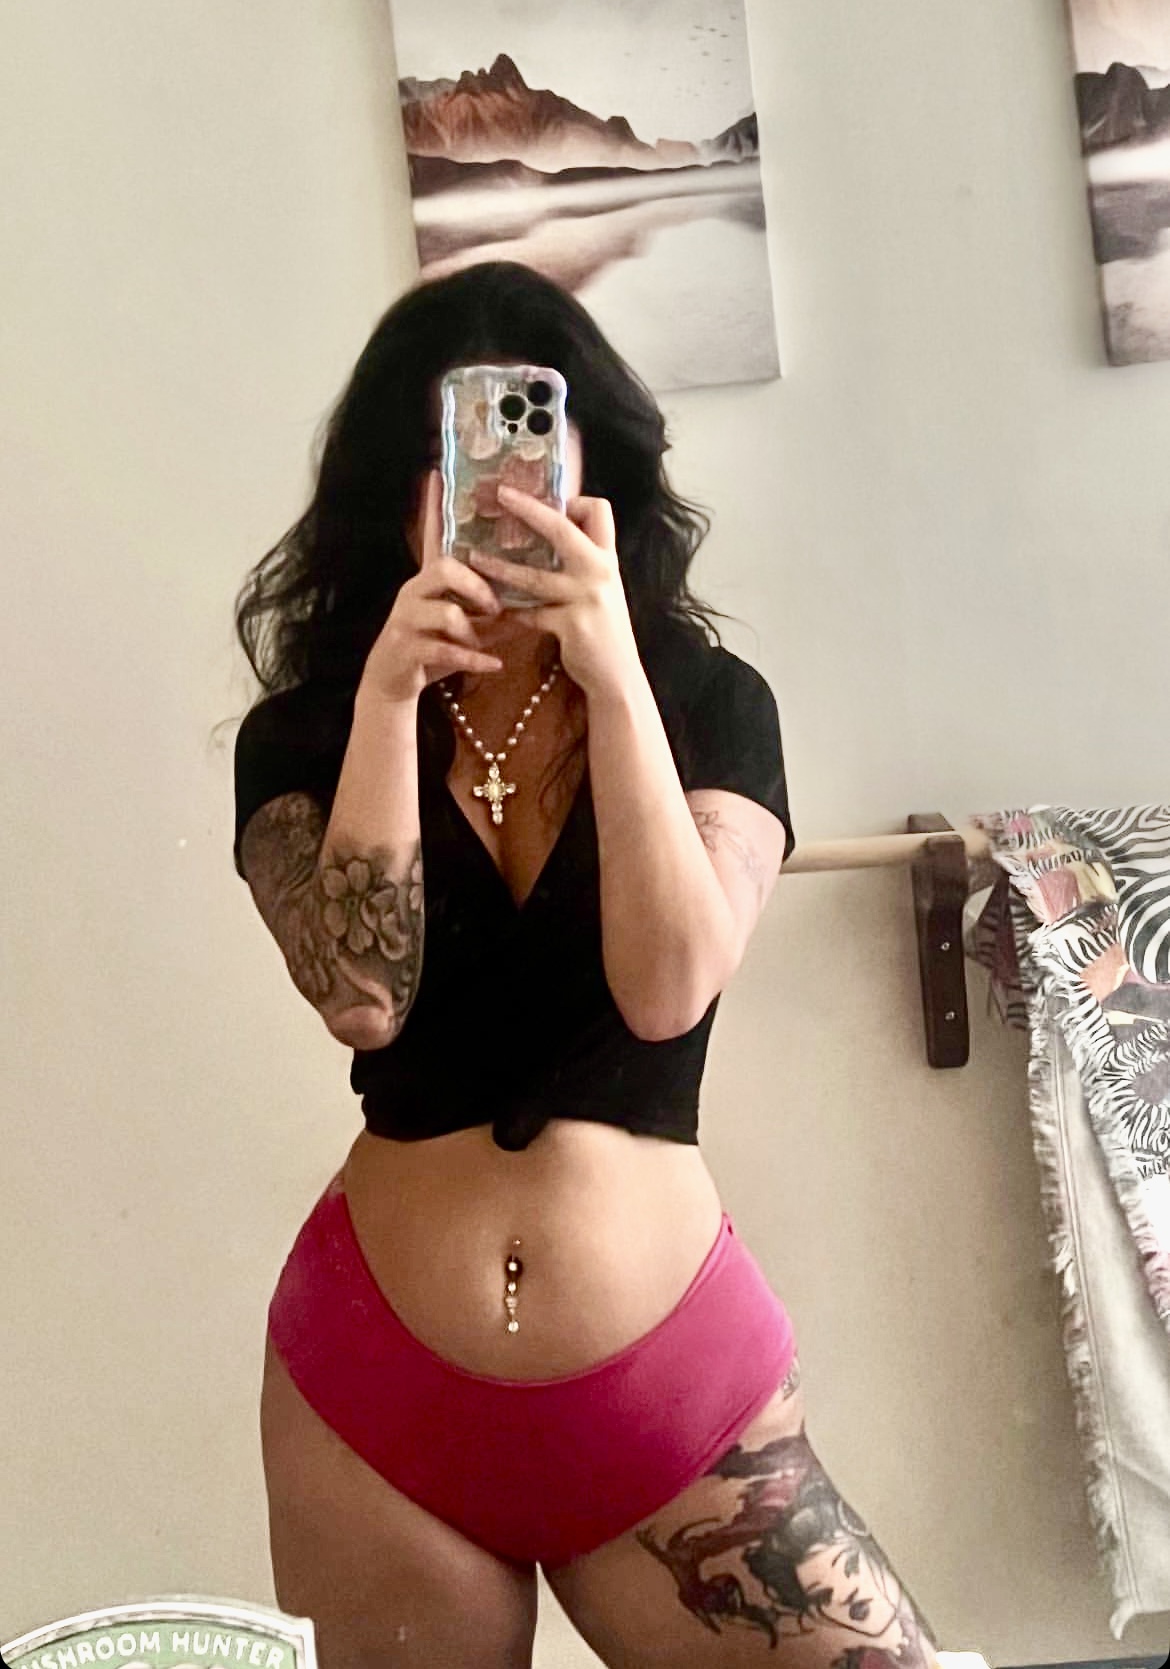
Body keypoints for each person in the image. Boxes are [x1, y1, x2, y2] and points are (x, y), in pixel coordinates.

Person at [231, 261, 941, 1669]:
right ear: (399, 491)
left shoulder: (710, 703)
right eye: (457, 462)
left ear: (591, 467)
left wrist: (614, 674)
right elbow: (361, 997)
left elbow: (667, 986)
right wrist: (386, 697)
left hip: (666, 1401)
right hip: (377, 1404)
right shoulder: (309, 732)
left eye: (533, 454)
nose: (502, 499)